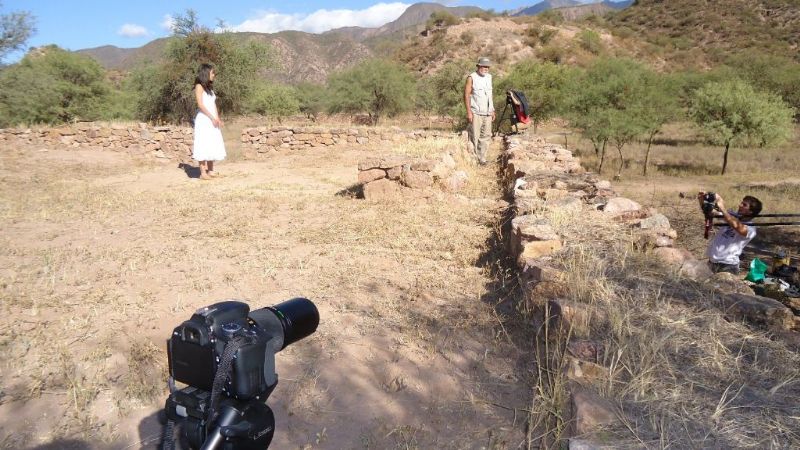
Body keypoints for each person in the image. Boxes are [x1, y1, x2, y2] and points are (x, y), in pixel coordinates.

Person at [698, 192, 763, 274]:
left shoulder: (751, 229)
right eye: (741, 203)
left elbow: (738, 227)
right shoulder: (731, 217)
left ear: (750, 212)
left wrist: (722, 207)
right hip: (712, 262)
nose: (740, 205)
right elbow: (710, 212)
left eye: (744, 205)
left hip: (728, 266)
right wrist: (702, 200)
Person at [192, 63, 226, 180]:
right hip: (204, 119)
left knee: (212, 142)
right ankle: (203, 173)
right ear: (206, 73)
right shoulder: (199, 86)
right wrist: (211, 118)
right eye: (212, 72)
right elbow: (200, 105)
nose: (214, 75)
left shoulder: (209, 88)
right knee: (203, 143)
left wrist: (217, 118)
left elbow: (213, 104)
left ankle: (210, 170)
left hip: (212, 119)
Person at [464, 57, 495, 165]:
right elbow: (467, 95)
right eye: (483, 66)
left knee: (486, 136)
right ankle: (473, 159)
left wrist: (492, 110)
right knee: (474, 137)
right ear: (478, 66)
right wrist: (469, 112)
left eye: (487, 67)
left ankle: (482, 159)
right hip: (476, 112)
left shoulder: (489, 77)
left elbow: (490, 95)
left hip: (488, 113)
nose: (485, 68)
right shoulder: (471, 77)